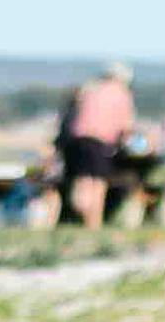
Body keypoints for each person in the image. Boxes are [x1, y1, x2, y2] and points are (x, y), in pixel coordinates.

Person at [56, 60, 133, 226]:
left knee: (82, 181)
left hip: (76, 141)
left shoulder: (89, 89)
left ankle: (79, 214)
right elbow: (126, 126)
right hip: (100, 142)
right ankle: (93, 224)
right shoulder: (121, 93)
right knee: (98, 184)